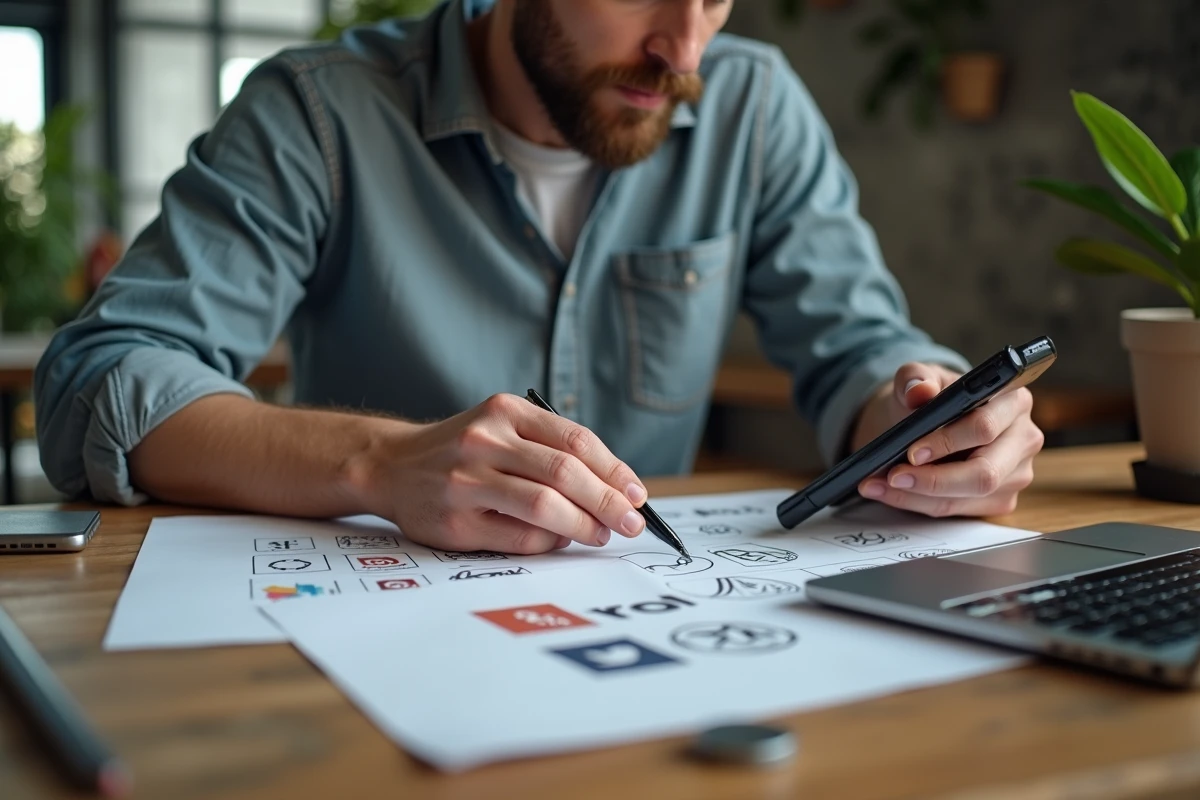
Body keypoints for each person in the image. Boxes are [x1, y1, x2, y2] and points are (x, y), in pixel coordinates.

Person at [34, 0, 1044, 555]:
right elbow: (102, 381)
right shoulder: (320, 114)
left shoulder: (754, 107)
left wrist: (927, 419)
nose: (684, 46)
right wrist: (380, 465)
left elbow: (859, 347)